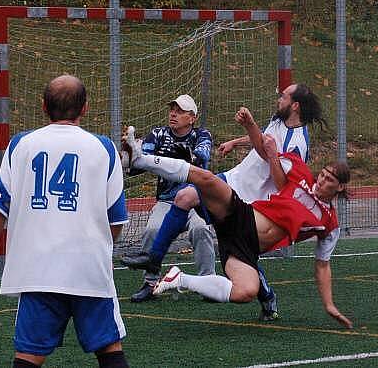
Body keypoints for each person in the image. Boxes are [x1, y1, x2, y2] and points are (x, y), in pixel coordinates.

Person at [122, 83, 326, 320]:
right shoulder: (279, 119)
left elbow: (284, 186)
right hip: (233, 179)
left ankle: (267, 295)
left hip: (249, 202)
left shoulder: (298, 142)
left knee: (239, 255)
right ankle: (154, 260)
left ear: (295, 105)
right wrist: (237, 141)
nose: (278, 98)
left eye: (283, 96)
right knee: (185, 195)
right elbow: (262, 139)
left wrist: (268, 151)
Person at [0, 75, 129, 368]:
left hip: (37, 268)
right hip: (87, 267)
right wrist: (100, 246)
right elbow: (116, 219)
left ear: (43, 106)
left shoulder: (21, 145)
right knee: (109, 348)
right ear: (85, 108)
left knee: (29, 355)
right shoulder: (104, 148)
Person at [124, 131, 353, 329]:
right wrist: (252, 131)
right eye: (322, 174)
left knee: (246, 292)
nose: (321, 180)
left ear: (340, 187)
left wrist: (329, 304)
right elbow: (264, 151)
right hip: (240, 216)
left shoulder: (329, 222)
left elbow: (322, 265)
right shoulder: (300, 173)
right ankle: (140, 159)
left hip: (245, 248)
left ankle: (180, 279)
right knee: (203, 181)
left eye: (329, 180)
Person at [121, 94, 215, 302]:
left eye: (180, 111)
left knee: (201, 229)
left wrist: (187, 156)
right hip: (167, 200)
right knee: (152, 230)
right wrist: (129, 155)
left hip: (195, 200)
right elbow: (138, 164)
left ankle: (209, 283)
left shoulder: (202, 135)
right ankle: (150, 282)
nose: (173, 114)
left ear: (192, 117)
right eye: (172, 109)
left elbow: (201, 158)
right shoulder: (158, 134)